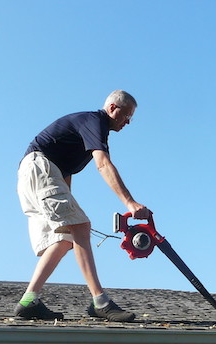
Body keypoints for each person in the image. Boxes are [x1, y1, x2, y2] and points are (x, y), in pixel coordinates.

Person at [13, 90, 150, 322]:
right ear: (113, 108)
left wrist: (72, 212)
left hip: (32, 174)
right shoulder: (95, 121)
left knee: (65, 239)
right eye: (126, 115)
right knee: (80, 228)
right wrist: (130, 202)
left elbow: (64, 171)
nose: (128, 122)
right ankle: (101, 302)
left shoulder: (90, 128)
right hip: (39, 167)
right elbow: (103, 164)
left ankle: (28, 302)